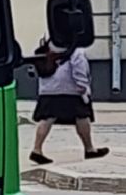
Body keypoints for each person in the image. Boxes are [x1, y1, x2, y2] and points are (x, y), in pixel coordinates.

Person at [30, 37, 109, 165]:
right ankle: (89, 149)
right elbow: (79, 70)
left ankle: (36, 149)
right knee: (82, 116)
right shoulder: (75, 50)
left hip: (48, 89)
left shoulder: (48, 48)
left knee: (47, 118)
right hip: (71, 89)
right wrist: (83, 88)